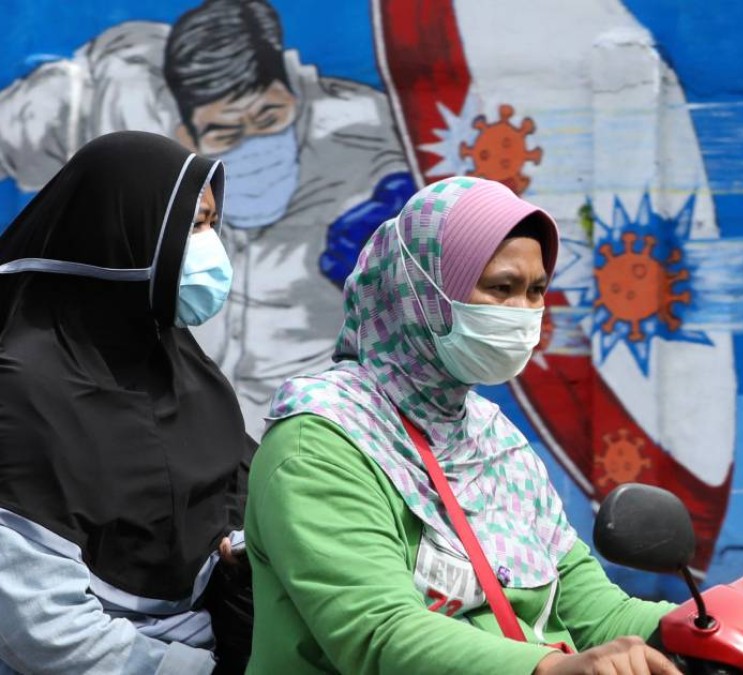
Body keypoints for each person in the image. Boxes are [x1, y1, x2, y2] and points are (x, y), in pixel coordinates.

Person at [245, 176, 681, 674]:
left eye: (536, 291)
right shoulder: (320, 441)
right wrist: (551, 668)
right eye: (501, 288)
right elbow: (378, 632)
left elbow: (595, 614)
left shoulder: (494, 440)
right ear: (421, 292)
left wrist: (717, 624)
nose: (523, 313)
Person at [0, 0, 414, 438]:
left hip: (298, 413)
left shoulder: (365, 132)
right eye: (225, 132)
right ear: (187, 133)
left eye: (270, 118)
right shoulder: (110, 92)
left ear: (292, 91)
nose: (254, 143)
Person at [0, 131, 255, 674]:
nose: (210, 246)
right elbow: (42, 629)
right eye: (193, 225)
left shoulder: (177, 359)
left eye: (212, 224)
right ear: (122, 234)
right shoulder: (21, 392)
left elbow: (238, 504)